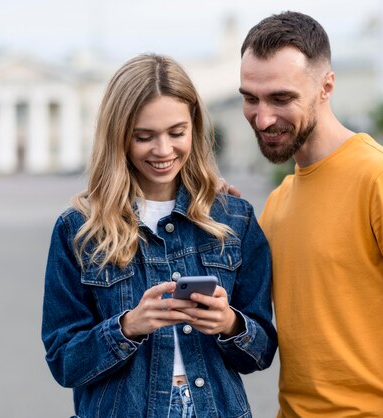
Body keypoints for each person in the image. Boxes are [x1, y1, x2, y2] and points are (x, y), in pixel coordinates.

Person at [238, 11, 383, 418]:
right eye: (250, 98)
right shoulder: (279, 200)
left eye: (281, 98)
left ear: (326, 87)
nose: (263, 117)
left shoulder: (382, 177)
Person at [41, 53, 277, 418]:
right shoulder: (79, 229)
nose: (163, 150)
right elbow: (64, 362)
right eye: (144, 137)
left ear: (194, 128)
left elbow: (261, 352)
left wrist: (229, 323)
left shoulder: (234, 217)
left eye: (176, 133)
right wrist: (128, 327)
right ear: (118, 135)